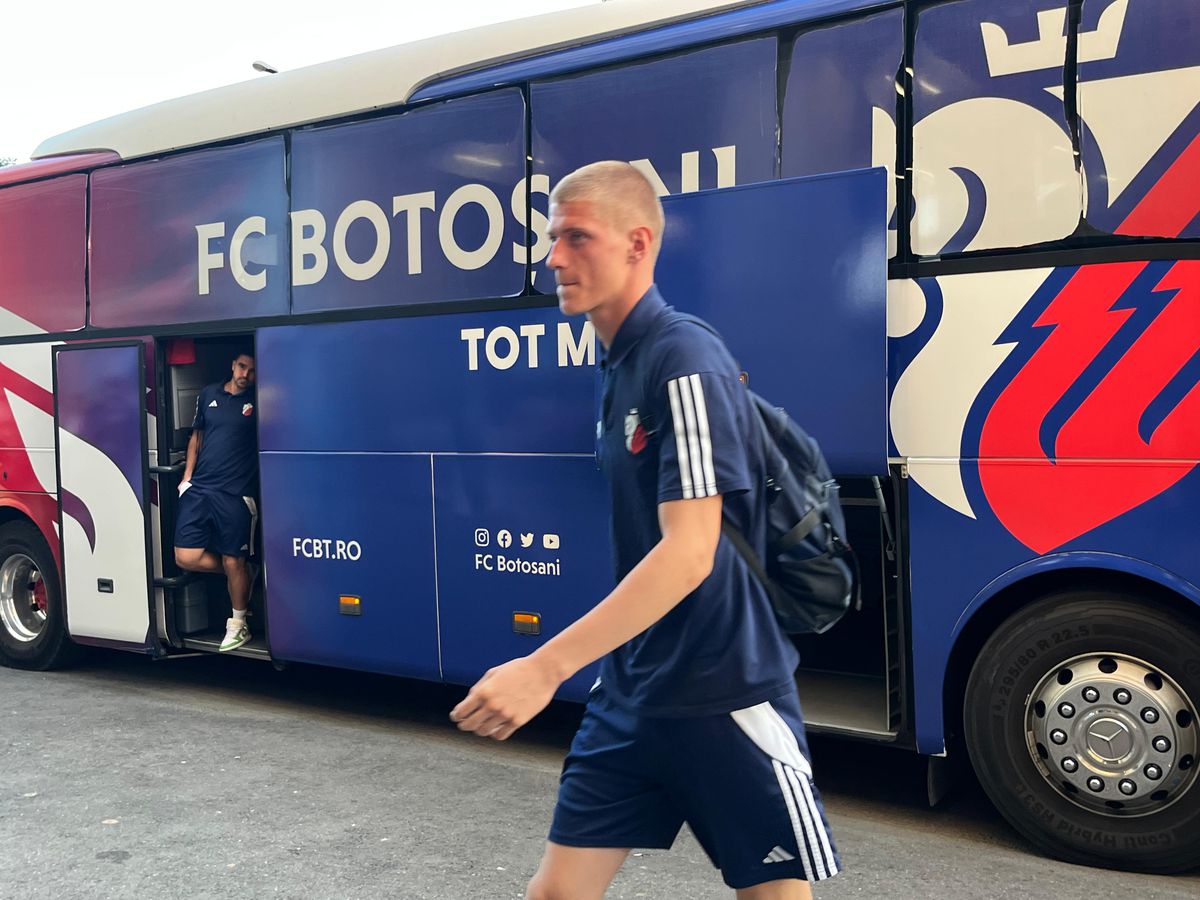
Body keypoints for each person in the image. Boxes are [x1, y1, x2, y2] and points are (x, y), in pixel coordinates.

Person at [450, 162, 839, 899]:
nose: (553, 257)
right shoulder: (619, 363)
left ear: (636, 243)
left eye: (575, 238)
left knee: (775, 897)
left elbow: (691, 552)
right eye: (551, 238)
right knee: (557, 893)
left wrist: (544, 667)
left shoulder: (683, 357)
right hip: (633, 691)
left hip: (724, 689)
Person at [173, 350, 259, 652]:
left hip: (235, 493)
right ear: (233, 365)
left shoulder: (259, 400)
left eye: (251, 371)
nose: (245, 375)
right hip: (200, 489)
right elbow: (196, 437)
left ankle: (238, 625)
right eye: (242, 367)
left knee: (233, 558)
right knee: (185, 557)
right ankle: (242, 576)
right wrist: (187, 477)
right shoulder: (209, 393)